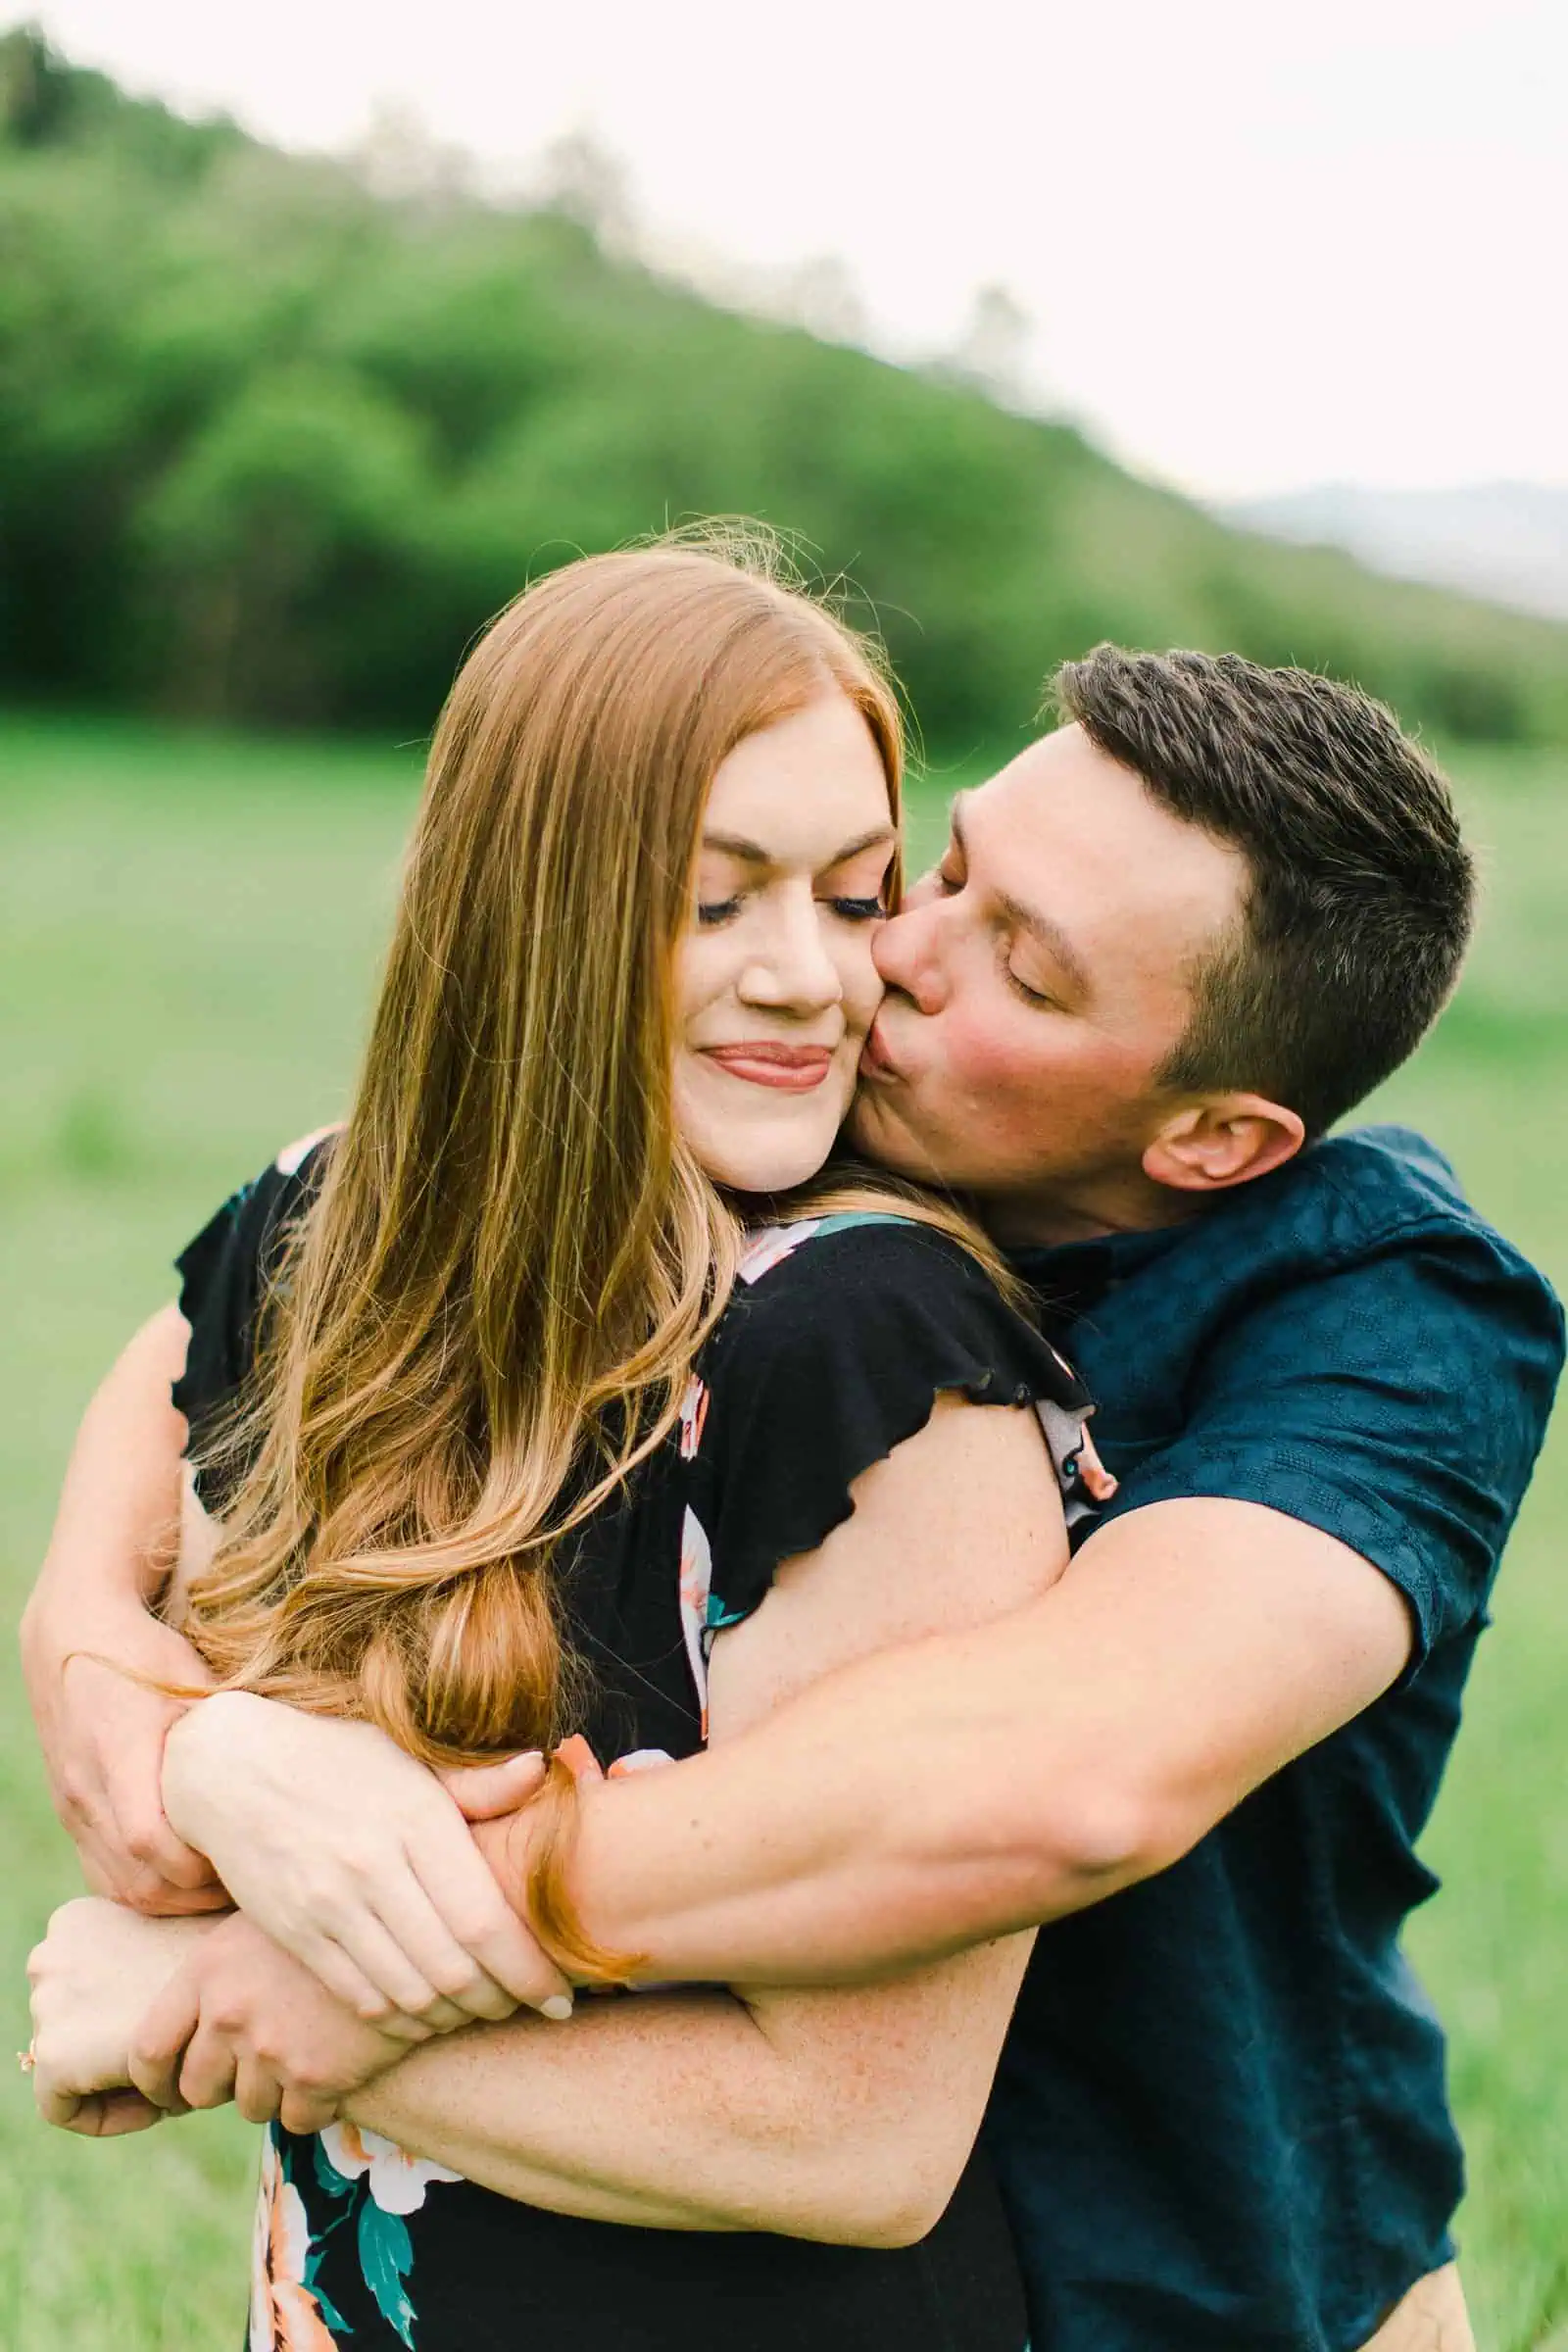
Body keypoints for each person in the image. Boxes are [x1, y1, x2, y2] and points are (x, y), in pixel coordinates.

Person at [24, 641, 1563, 2352]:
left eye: (1023, 975)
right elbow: (196, 1359)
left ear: (1211, 1139)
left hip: (1202, 2272)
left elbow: (1059, 1779)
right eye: (941, 869)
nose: (879, 959)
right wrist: (141, 1692)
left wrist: (327, 1950)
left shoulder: (1387, 1314)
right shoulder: (761, 1160)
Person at [24, 536, 1100, 2351]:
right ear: (530, 900)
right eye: (713, 900)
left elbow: (861, 2137)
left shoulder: (857, 1341)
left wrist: (207, 1994)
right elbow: (117, 1520)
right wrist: (192, 1753)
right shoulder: (321, 1227)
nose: (809, 983)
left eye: (850, 900)